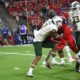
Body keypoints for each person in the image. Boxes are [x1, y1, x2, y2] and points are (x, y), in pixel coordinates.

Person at [68, 1, 80, 72]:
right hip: (78, 32)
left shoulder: (71, 13)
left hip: (76, 32)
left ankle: (77, 67)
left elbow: (73, 21)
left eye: (74, 8)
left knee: (79, 51)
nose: (73, 10)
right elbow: (73, 21)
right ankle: (77, 66)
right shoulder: (73, 13)